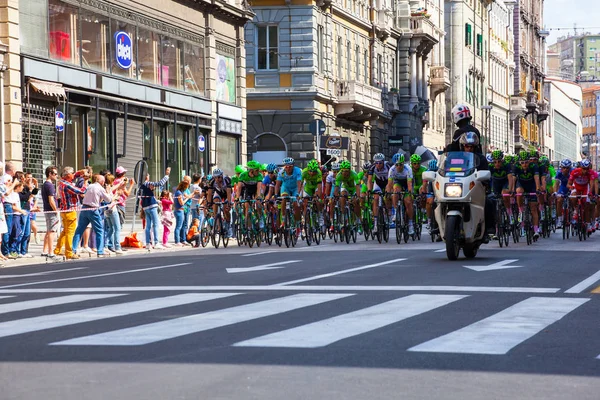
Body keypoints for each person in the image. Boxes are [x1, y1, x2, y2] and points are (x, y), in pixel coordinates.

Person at [70, 174, 122, 259]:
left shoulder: (90, 186)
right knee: (99, 230)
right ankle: (100, 251)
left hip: (84, 208)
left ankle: (73, 249)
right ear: (101, 181)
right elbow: (108, 200)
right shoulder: (100, 188)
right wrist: (110, 192)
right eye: (103, 181)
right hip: (93, 209)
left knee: (79, 229)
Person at [54, 167, 87, 260]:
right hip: (70, 210)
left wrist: (79, 173)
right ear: (68, 175)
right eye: (72, 173)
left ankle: (57, 249)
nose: (74, 175)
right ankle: (69, 252)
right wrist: (85, 182)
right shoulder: (67, 184)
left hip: (64, 210)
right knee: (70, 233)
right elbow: (81, 191)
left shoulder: (62, 182)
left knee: (65, 232)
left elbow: (73, 176)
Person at [139, 167, 171, 250]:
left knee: (148, 226)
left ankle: (147, 243)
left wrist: (156, 200)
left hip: (146, 207)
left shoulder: (141, 186)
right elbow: (160, 183)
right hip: (152, 207)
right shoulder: (147, 183)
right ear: (146, 177)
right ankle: (156, 242)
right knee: (156, 224)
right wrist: (166, 175)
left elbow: (145, 197)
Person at [41, 166, 59, 258]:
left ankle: (44, 250)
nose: (56, 176)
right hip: (51, 211)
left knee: (48, 231)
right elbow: (51, 200)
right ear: (50, 174)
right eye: (55, 174)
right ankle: (50, 252)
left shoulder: (45, 184)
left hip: (47, 210)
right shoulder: (50, 185)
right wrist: (56, 211)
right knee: (52, 231)